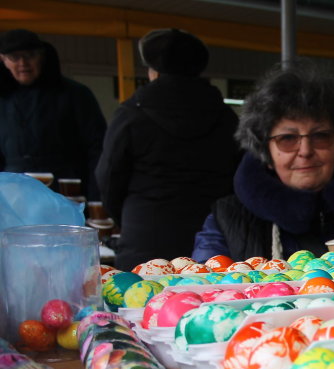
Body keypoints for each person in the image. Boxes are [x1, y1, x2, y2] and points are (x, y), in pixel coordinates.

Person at [192, 60, 334, 262]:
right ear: (266, 153)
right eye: (287, 138)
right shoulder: (227, 222)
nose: (305, 150)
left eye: (320, 135)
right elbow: (205, 297)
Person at [96, 29, 239, 271]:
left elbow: (108, 177)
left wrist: (128, 219)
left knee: (140, 305)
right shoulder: (226, 117)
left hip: (145, 237)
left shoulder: (131, 114)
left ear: (154, 72)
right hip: (213, 241)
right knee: (209, 304)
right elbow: (238, 176)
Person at [0, 29, 106, 200]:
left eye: (30, 55)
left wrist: (97, 199)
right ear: (3, 60)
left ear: (42, 56)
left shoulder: (75, 94)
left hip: (65, 194)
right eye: (14, 57)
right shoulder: (2, 99)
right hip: (13, 197)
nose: (23, 63)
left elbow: (98, 148)